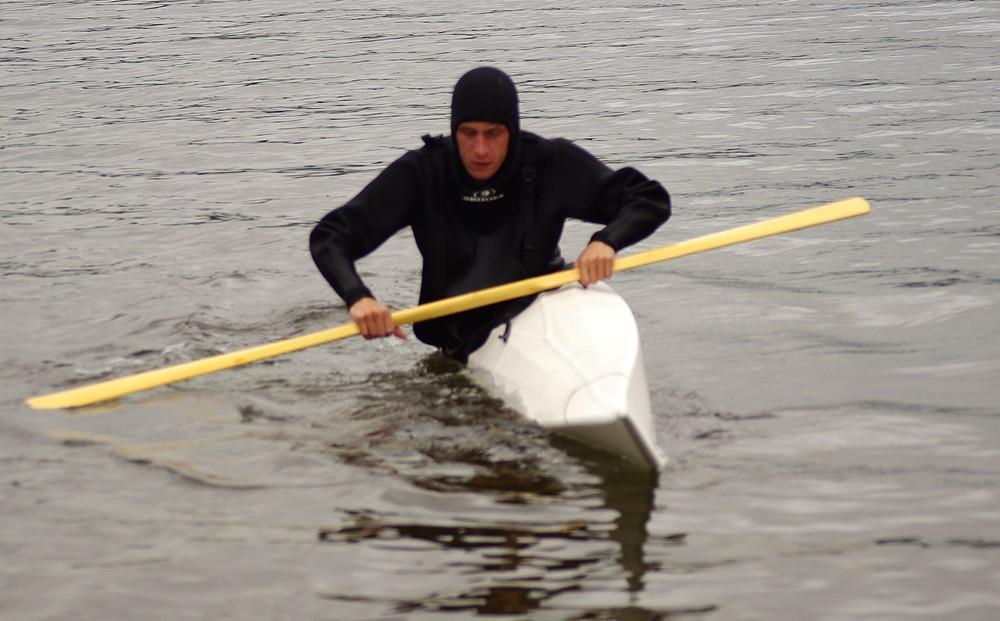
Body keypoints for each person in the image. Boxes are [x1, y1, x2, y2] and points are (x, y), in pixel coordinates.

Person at [310, 67, 671, 362]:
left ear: (511, 131)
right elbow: (330, 237)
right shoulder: (422, 173)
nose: (480, 149)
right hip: (461, 335)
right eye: (469, 134)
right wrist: (359, 298)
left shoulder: (549, 162)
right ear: (454, 130)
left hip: (541, 303)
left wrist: (606, 241)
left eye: (494, 134)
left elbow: (648, 198)